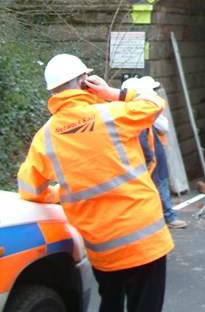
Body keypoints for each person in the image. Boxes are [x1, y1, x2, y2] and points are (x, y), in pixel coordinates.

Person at [17, 54, 174, 312]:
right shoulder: (112, 114)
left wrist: (57, 194)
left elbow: (30, 189)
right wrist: (114, 93)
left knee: (110, 303)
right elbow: (153, 102)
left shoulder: (45, 138)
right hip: (144, 238)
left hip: (102, 246)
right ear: (84, 83)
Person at [122, 76, 187, 229]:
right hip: (151, 158)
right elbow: (145, 139)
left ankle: (155, 218)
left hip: (149, 158)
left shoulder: (131, 115)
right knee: (159, 187)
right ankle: (167, 217)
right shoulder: (139, 116)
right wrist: (150, 158)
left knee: (153, 188)